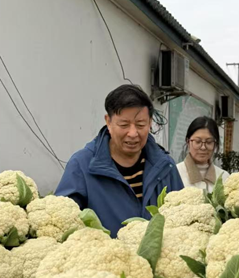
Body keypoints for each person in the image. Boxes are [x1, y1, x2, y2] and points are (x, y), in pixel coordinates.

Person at [55, 84, 184, 237]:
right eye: (124, 125)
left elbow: (182, 219)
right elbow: (61, 223)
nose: (133, 133)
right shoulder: (82, 165)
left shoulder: (165, 166)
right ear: (108, 122)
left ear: (150, 123)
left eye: (140, 125)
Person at [177, 116, 229, 192]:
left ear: (215, 144)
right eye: (198, 141)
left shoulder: (224, 177)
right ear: (188, 141)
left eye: (209, 142)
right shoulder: (175, 173)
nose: (203, 147)